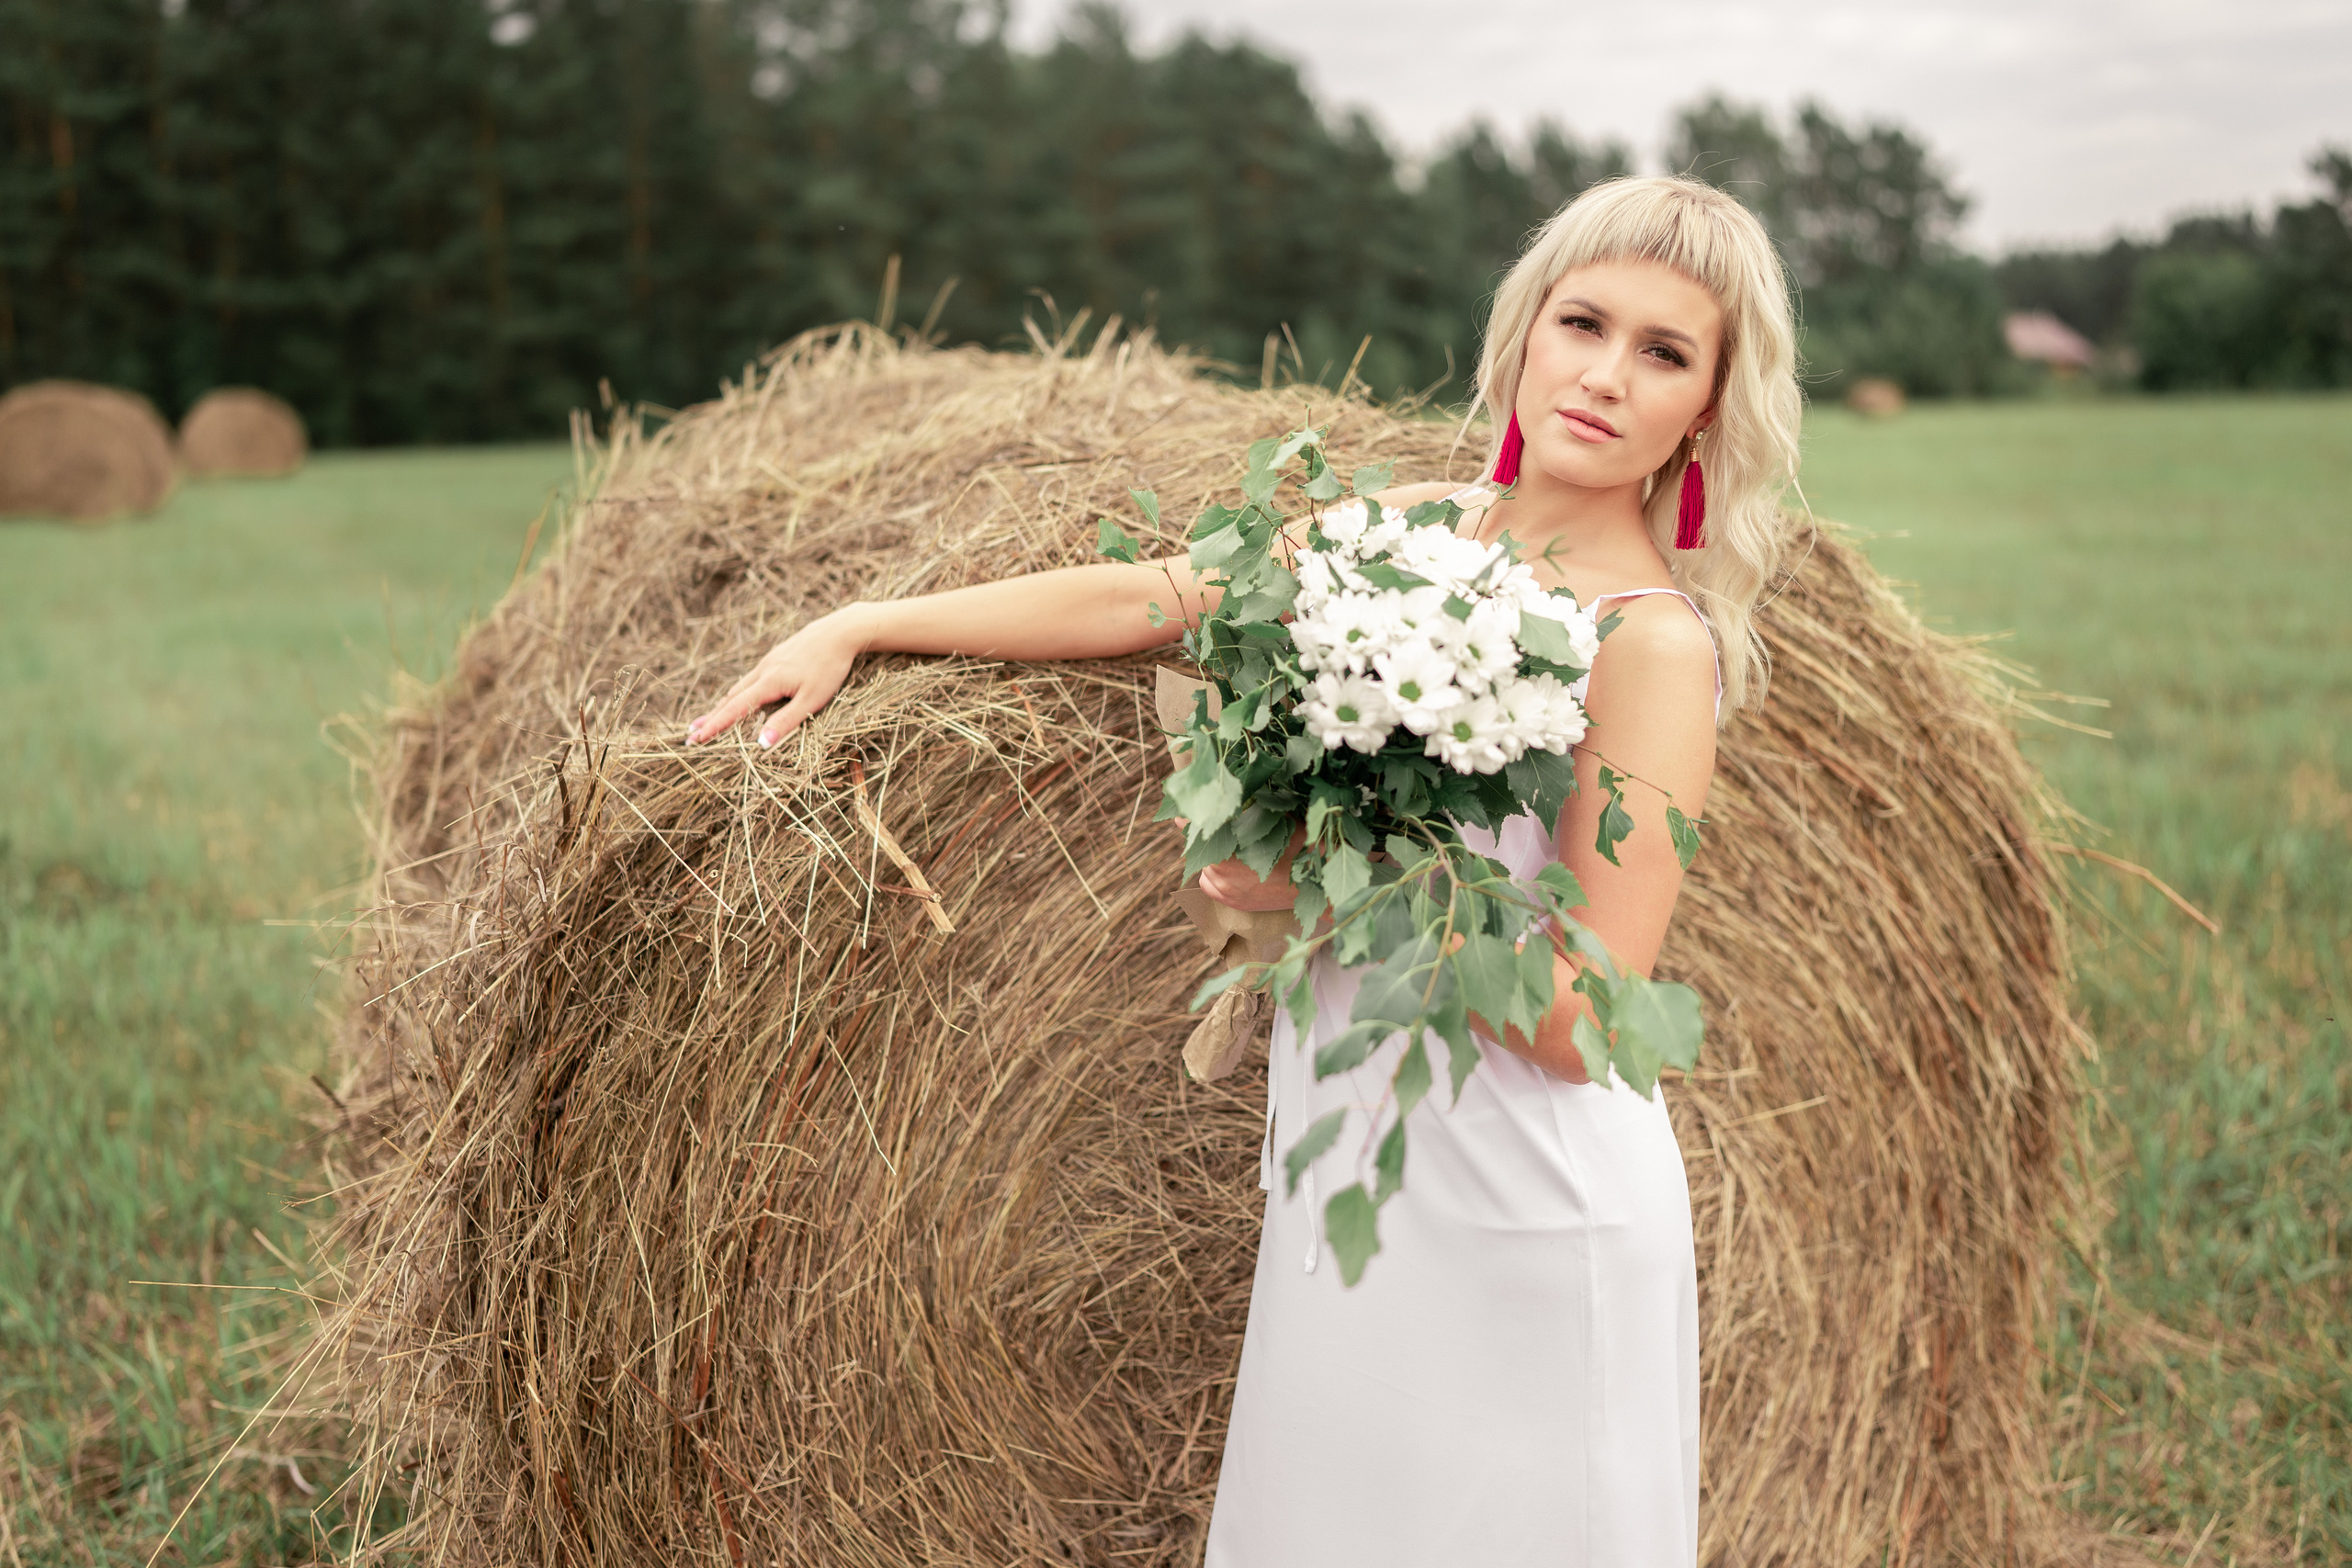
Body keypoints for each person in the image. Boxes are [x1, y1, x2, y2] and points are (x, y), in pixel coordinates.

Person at [686, 175, 1802, 1566]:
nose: (1605, 375)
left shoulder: (1652, 646)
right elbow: (1146, 597)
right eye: (1584, 322)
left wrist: (1340, 883)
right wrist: (865, 623)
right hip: (1358, 1167)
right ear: (1526, 329)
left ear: (1708, 409)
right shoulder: (1407, 534)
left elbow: (1587, 1016)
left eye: (1664, 352)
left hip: (1529, 1206)